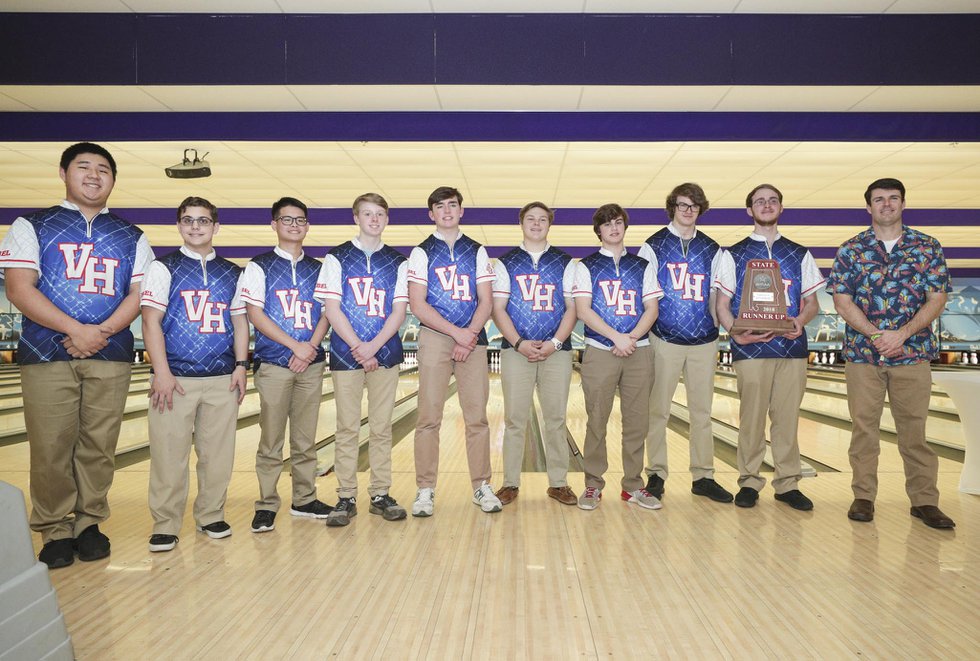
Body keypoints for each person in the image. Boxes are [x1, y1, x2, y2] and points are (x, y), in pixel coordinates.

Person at [0, 142, 153, 568]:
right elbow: (18, 288)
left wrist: (99, 332)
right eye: (83, 166)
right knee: (51, 445)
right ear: (64, 173)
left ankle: (88, 523)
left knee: (99, 445)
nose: (93, 175)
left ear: (113, 179)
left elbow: (139, 295)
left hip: (112, 351)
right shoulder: (32, 225)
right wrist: (76, 330)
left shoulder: (131, 235)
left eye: (104, 169)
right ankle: (54, 529)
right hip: (45, 352)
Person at [828, 178, 955, 529]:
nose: (886, 204)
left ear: (903, 203)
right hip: (863, 354)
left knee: (914, 430)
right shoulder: (851, 249)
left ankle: (925, 501)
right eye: (879, 199)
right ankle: (864, 497)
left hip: (912, 353)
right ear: (868, 207)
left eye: (893, 198)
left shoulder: (927, 247)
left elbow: (937, 298)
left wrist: (901, 334)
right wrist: (876, 334)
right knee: (863, 429)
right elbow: (842, 300)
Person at [141, 197, 248, 551]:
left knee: (218, 455)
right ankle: (166, 523)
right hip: (176, 379)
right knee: (169, 455)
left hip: (221, 378)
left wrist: (241, 366)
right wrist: (161, 372)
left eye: (203, 221)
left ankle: (211, 515)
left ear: (216, 227)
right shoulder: (163, 268)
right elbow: (150, 321)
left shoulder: (234, 273)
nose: (196, 226)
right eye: (188, 220)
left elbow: (239, 322)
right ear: (179, 226)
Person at [714, 184, 823, 511]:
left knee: (787, 419)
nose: (766, 205)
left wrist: (801, 321)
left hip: (792, 349)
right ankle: (749, 481)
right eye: (759, 201)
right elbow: (722, 304)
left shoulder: (799, 252)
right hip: (750, 350)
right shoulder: (733, 254)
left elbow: (812, 302)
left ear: (780, 207)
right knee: (751, 419)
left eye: (772, 200)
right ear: (750, 210)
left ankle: (788, 484)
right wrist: (736, 332)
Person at [237, 197, 332, 533]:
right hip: (274, 363)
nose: (294, 225)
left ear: (307, 226)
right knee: (271, 439)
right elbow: (255, 314)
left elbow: (326, 312)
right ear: (274, 224)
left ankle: (305, 499)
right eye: (287, 219)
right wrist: (295, 346)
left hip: (312, 363)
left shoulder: (320, 268)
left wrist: (310, 347)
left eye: (300, 220)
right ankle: (266, 504)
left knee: (306, 439)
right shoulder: (258, 266)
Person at [406, 186, 501, 516]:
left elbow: (486, 300)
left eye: (453, 205)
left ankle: (481, 486)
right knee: (428, 417)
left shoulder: (477, 251)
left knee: (477, 417)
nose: (447, 210)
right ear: (431, 214)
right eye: (440, 206)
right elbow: (418, 305)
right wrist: (457, 334)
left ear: (461, 211)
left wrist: (469, 335)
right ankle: (425, 489)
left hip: (473, 339)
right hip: (435, 337)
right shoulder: (421, 252)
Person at [316, 193, 409, 526]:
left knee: (383, 428)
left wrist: (373, 347)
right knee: (346, 428)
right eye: (367, 214)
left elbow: (399, 311)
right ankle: (345, 496)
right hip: (345, 355)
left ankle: (380, 494)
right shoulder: (336, 257)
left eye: (380, 214)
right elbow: (332, 308)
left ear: (386, 219)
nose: (374, 219)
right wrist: (358, 346)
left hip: (387, 353)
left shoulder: (399, 261)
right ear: (356, 217)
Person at [639, 183, 733, 505]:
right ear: (673, 207)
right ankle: (656, 475)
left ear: (700, 209)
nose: (688, 210)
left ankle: (703, 476)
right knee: (658, 411)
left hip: (704, 341)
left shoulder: (713, 249)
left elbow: (718, 296)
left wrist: (719, 327)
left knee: (702, 412)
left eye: (694, 205)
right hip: (663, 338)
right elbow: (647, 295)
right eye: (682, 205)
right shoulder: (653, 245)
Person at [573, 203, 662, 511]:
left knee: (637, 422)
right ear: (598, 230)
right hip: (600, 351)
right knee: (596, 420)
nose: (614, 227)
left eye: (618, 222)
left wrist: (632, 338)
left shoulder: (642, 266)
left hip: (640, 351)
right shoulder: (584, 266)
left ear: (625, 227)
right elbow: (584, 310)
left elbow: (652, 308)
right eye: (607, 224)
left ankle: (633, 486)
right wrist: (616, 338)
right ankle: (593, 485)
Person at [491, 202, 577, 506]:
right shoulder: (505, 263)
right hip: (517, 351)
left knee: (555, 418)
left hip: (558, 351)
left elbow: (572, 308)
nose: (537, 224)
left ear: (549, 224)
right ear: (522, 223)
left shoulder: (566, 263)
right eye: (531, 219)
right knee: (515, 420)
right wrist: (518, 343)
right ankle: (510, 483)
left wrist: (554, 342)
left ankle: (558, 483)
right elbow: (497, 308)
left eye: (543, 219)